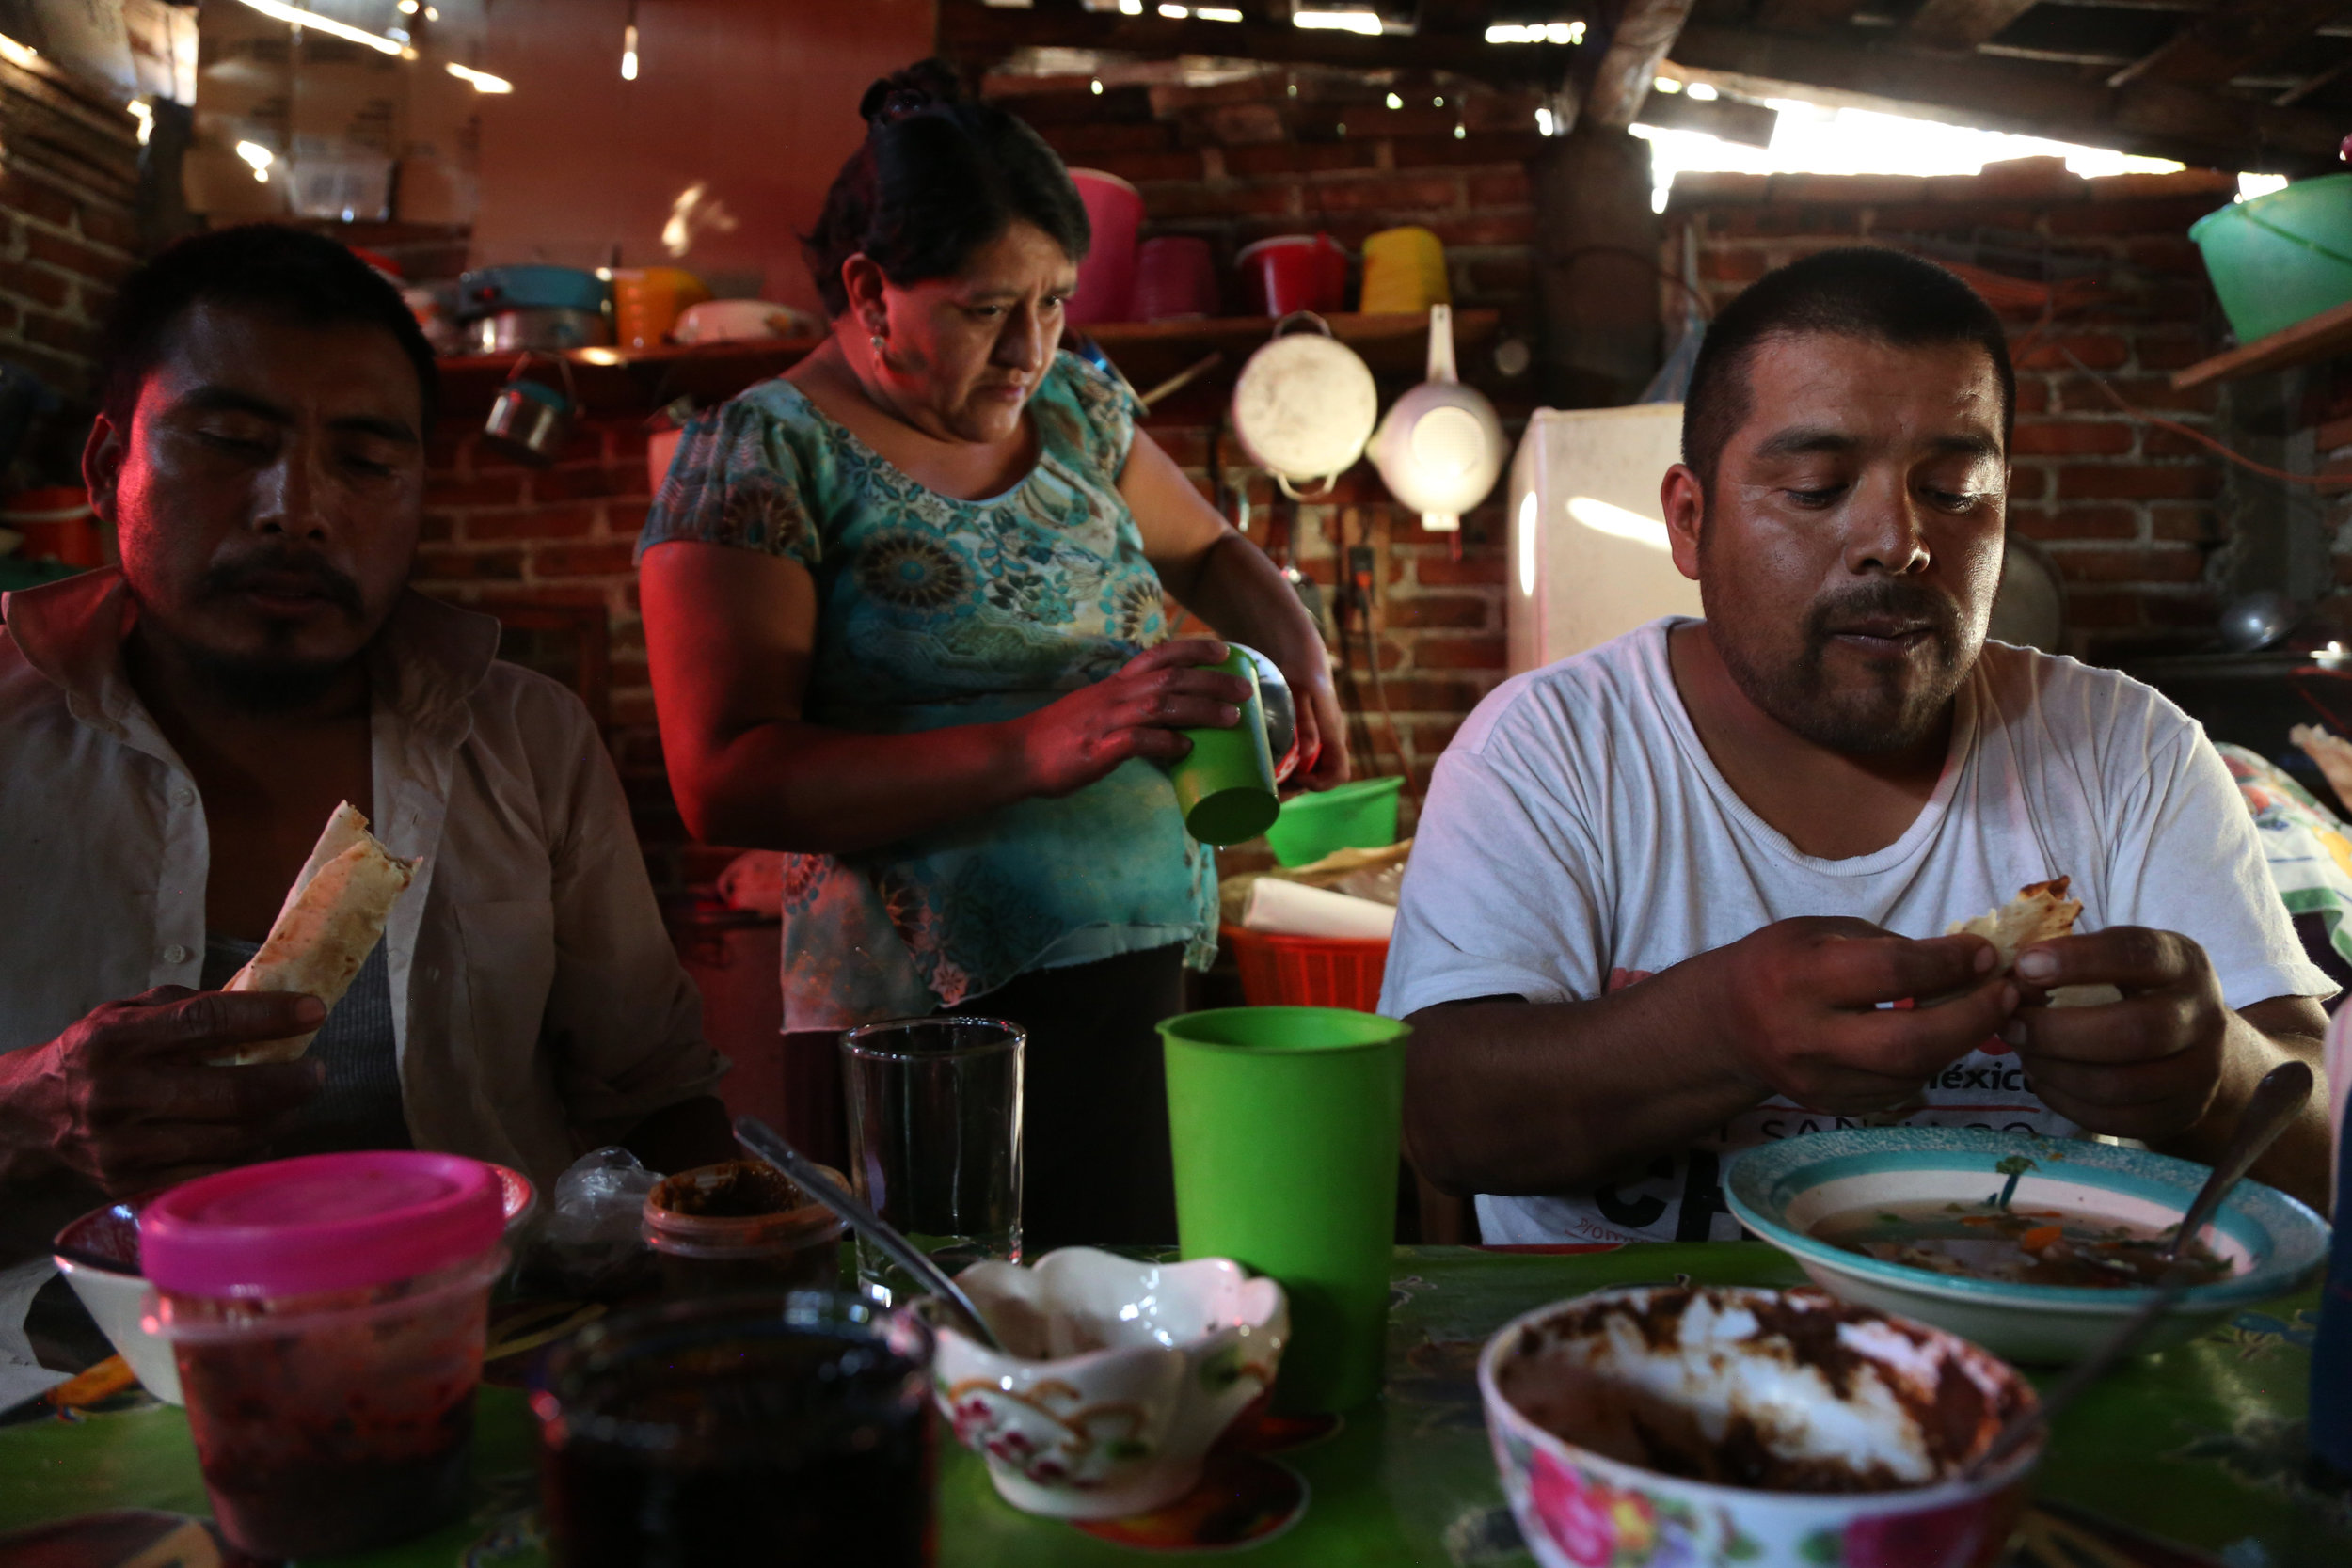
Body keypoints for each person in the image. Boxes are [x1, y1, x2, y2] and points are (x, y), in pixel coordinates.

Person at [1382, 247, 2334, 1245]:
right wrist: (1718, 1029)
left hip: (2036, 1369)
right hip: (1630, 1370)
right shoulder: (1550, 751)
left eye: (1956, 489)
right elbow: (1438, 1123)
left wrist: (2211, 1073)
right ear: (1689, 520)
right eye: (1815, 486)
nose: (1897, 539)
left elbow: (2314, 1138)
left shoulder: (2124, 750)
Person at [637, 61, 1343, 1251]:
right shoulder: (763, 456)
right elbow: (725, 776)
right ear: (869, 289)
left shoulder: (1077, 411)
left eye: (1054, 300)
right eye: (984, 309)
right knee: (961, 1332)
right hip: (922, 1028)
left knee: (1126, 1329)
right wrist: (1040, 745)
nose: (1030, 347)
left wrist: (1305, 663)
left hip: (1135, 977)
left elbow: (1213, 552)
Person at [0, 225, 734, 1268]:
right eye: (233, 442)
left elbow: (658, 1091)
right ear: (111, 464)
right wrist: (27, 1105)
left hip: (472, 1355)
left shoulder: (527, 739)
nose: (296, 510)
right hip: (53, 1387)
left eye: (365, 459)